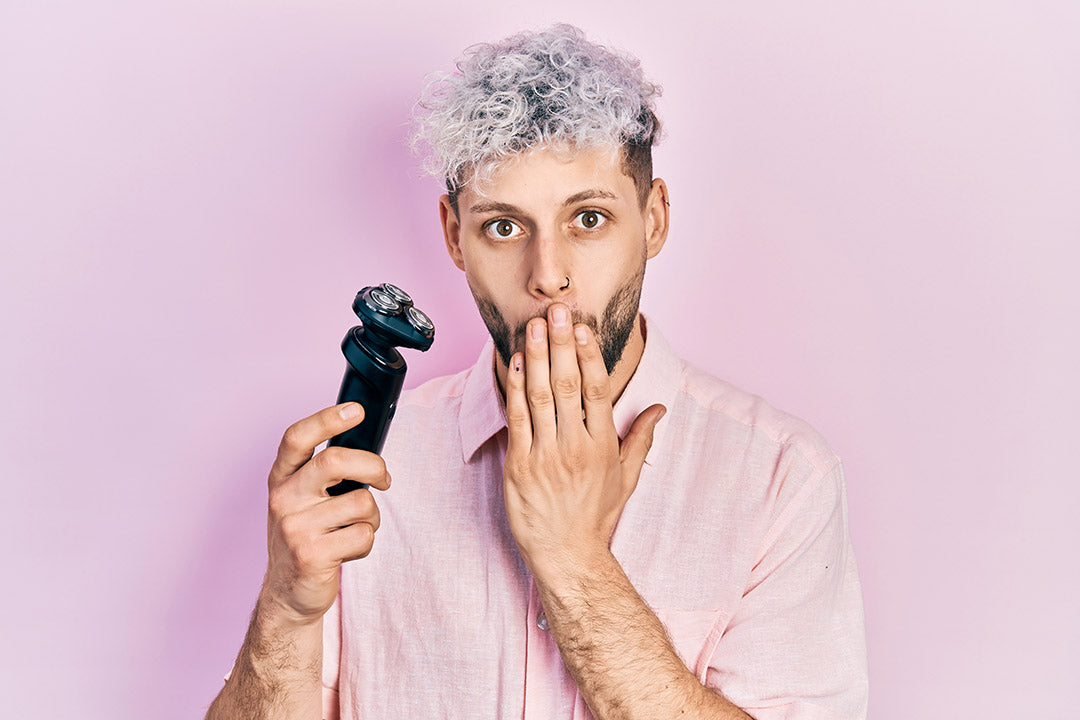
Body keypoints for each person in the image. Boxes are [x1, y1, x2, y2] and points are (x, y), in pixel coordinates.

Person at [206, 24, 868, 720]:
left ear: (654, 220)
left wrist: (573, 561)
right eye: (503, 226)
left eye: (588, 218)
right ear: (452, 235)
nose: (548, 276)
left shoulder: (781, 478)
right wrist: (286, 609)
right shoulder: (367, 465)